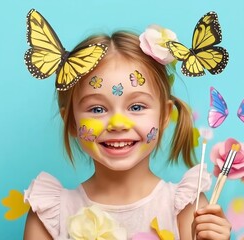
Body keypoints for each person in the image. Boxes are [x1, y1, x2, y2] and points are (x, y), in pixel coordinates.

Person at [23, 31, 232, 239]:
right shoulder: (49, 216)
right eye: (97, 109)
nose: (118, 124)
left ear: (164, 116)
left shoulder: (188, 208)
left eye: (137, 106)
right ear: (71, 122)